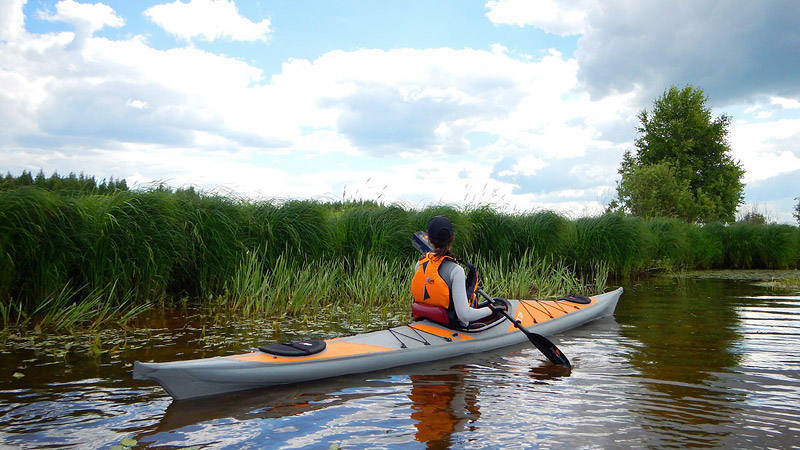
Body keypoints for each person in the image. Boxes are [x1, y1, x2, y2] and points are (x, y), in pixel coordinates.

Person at [410, 215, 493, 328]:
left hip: (427, 321)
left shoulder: (420, 264)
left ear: (429, 240)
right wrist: (491, 310)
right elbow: (464, 315)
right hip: (451, 327)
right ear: (452, 237)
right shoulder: (456, 271)